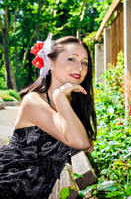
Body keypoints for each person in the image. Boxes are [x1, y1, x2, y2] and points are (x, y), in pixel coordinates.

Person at [0, 34, 97, 199]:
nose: (80, 68)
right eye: (71, 59)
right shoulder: (33, 101)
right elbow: (81, 142)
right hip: (15, 183)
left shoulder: (73, 101)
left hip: (42, 187)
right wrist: (59, 96)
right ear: (50, 63)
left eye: (84, 62)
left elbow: (85, 142)